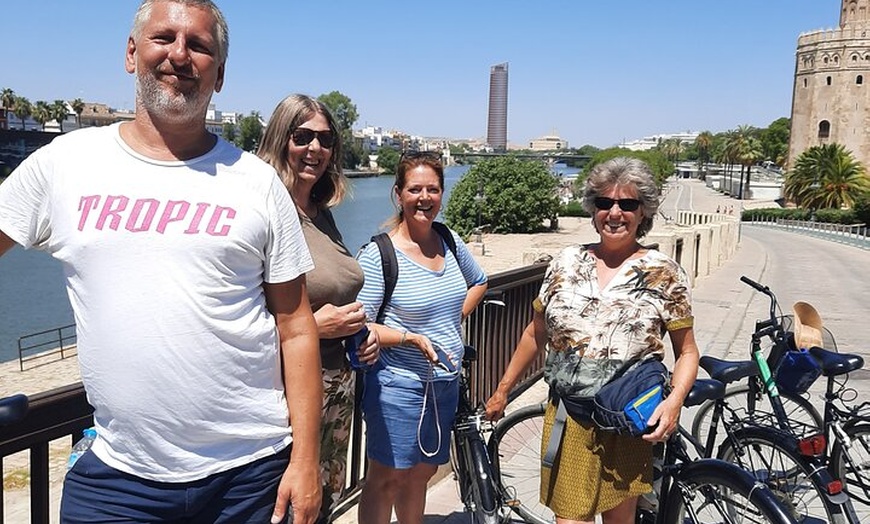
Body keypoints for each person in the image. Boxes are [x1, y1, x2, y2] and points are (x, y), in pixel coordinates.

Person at [0, 1, 322, 523]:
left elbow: (296, 327)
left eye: (199, 45)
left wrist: (305, 461)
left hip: (249, 474)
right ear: (132, 53)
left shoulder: (256, 182)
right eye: (163, 38)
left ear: (219, 74)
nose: (180, 54)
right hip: (117, 477)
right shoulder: (66, 164)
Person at [485, 157, 699, 524]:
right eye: (605, 203)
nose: (615, 213)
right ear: (593, 208)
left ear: (643, 211)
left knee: (621, 519)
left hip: (628, 420)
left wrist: (675, 402)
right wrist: (503, 390)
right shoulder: (566, 262)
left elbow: (688, 351)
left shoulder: (664, 272)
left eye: (627, 204)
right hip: (571, 419)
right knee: (569, 519)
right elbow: (535, 332)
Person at [257, 93, 379, 522]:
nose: (315, 149)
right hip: (288, 394)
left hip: (335, 388)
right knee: (286, 508)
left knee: (320, 508)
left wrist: (361, 336)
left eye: (325, 140)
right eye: (302, 136)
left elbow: (333, 287)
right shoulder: (264, 208)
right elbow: (232, 315)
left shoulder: (319, 210)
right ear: (279, 138)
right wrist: (314, 326)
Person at [355, 151, 488, 524]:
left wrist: (453, 316)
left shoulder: (447, 239)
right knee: (387, 478)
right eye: (415, 189)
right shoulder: (379, 254)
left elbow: (479, 281)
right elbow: (360, 324)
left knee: (421, 475)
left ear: (442, 194)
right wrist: (408, 337)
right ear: (398, 194)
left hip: (444, 384)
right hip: (398, 386)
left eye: (433, 189)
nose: (424, 198)